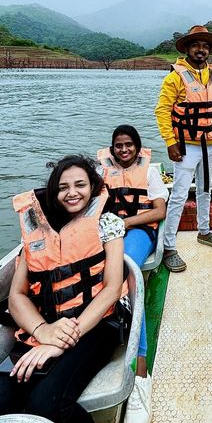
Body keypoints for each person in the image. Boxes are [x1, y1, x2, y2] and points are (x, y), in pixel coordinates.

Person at [0, 155, 126, 423]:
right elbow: (17, 296)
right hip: (45, 326)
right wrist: (44, 332)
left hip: (96, 324)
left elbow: (113, 288)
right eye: (63, 187)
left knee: (46, 406)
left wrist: (64, 339)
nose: (72, 193)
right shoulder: (38, 231)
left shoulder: (108, 223)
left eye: (80, 185)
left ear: (93, 187)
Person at [97, 124, 168, 423]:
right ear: (112, 148)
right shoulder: (100, 172)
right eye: (118, 146)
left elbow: (159, 211)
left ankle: (141, 366)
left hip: (138, 231)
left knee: (127, 267)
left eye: (129, 145)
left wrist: (125, 224)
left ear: (137, 147)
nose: (123, 150)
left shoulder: (149, 172)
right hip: (105, 232)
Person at [155, 25, 212, 272]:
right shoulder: (175, 77)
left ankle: (204, 231)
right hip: (186, 146)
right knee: (178, 195)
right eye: (196, 45)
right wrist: (170, 142)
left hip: (210, 144)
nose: (201, 49)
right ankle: (169, 247)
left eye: (205, 45)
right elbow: (162, 111)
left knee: (205, 191)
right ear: (187, 48)